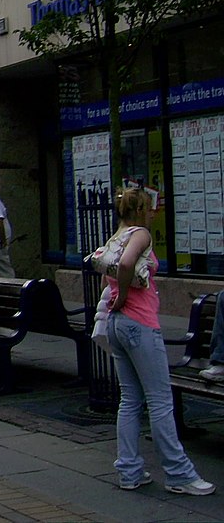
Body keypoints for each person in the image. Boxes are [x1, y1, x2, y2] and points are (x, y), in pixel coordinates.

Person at [104, 187, 213, 494]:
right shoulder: (140, 235)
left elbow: (109, 275)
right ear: (140, 210)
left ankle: (129, 471)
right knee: (160, 401)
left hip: (118, 324)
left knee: (130, 401)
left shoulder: (116, 235)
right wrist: (126, 295)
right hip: (140, 323)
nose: (154, 213)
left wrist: (117, 298)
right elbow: (126, 265)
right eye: (150, 208)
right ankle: (179, 474)